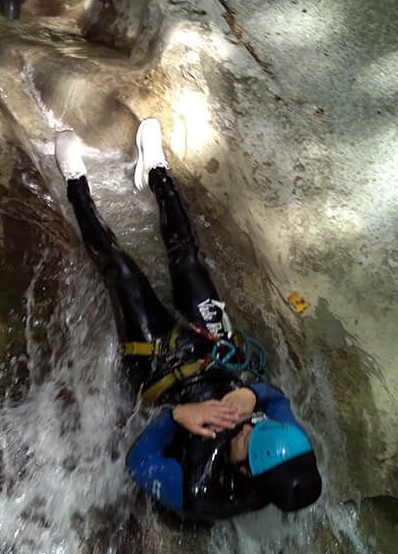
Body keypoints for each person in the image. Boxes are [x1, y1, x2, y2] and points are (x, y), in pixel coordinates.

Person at [54, 118, 322, 524]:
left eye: (247, 439)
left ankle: (75, 185)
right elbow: (276, 402)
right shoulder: (284, 442)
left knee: (122, 271)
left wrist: (176, 417)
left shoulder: (198, 491)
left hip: (160, 372)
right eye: (256, 427)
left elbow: (138, 462)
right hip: (216, 357)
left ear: (247, 471)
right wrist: (250, 397)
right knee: (188, 260)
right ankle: (157, 174)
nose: (248, 429)